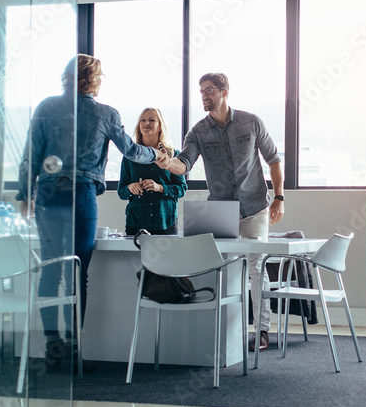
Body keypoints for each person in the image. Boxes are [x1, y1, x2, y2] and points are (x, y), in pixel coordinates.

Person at [16, 54, 166, 370]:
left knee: (50, 271)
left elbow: (31, 154)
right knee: (77, 273)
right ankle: (72, 347)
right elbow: (131, 150)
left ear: (66, 77)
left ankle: (53, 345)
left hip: (48, 194)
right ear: (94, 80)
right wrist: (158, 153)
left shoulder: (46, 107)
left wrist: (24, 194)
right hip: (81, 194)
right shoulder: (105, 113)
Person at [157, 72, 284, 352]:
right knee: (225, 269)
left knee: (256, 267)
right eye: (201, 91)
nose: (204, 95)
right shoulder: (198, 132)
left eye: (210, 90)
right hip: (221, 211)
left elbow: (273, 159)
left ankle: (261, 331)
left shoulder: (251, 122)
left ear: (225, 91)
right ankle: (228, 332)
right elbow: (184, 164)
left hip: (255, 208)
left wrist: (279, 197)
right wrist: (168, 164)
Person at [118, 108, 187, 235]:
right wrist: (130, 187)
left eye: (152, 120)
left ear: (160, 126)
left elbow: (181, 189)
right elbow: (121, 192)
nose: (146, 123)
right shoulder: (130, 157)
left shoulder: (173, 155)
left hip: (166, 222)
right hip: (137, 223)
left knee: (168, 256)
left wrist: (160, 188)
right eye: (143, 120)